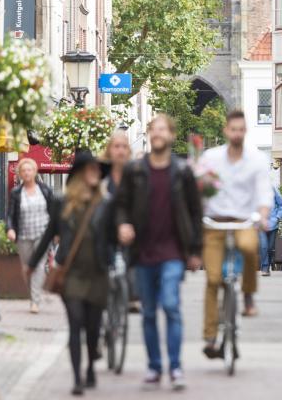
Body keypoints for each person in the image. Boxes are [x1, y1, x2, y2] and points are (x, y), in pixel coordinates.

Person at [115, 115, 203, 390]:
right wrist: (123, 224)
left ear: (171, 135)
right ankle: (154, 367)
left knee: (171, 305)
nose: (158, 133)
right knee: (149, 313)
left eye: (163, 129)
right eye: (154, 129)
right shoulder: (135, 170)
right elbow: (122, 205)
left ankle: (175, 367)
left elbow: (195, 211)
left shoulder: (183, 172)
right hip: (143, 252)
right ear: (149, 134)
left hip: (173, 252)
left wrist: (195, 250)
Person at [28, 150, 113, 396]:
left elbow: (113, 236)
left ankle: (90, 368)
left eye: (98, 170)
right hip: (71, 273)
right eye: (91, 169)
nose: (96, 173)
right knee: (75, 322)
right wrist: (33, 262)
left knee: (93, 326)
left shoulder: (105, 205)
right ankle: (77, 377)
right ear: (79, 174)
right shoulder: (61, 203)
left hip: (97, 272)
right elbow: (48, 234)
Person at [199, 109, 273, 357]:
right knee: (212, 280)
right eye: (233, 129)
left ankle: (248, 295)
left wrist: (262, 215)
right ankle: (210, 337)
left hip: (243, 221)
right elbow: (199, 188)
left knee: (251, 247)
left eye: (241, 130)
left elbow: (264, 193)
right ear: (226, 131)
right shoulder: (211, 158)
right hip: (215, 223)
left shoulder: (257, 160)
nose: (237, 134)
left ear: (246, 131)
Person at [6, 158, 54, 314]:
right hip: (24, 235)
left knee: (39, 265)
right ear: (20, 173)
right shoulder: (16, 193)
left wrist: (56, 232)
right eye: (24, 170)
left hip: (42, 233)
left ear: (35, 172)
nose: (27, 173)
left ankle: (35, 301)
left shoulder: (45, 190)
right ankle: (34, 295)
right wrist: (10, 229)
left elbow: (53, 212)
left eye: (29, 170)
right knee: (27, 268)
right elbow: (10, 215)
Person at [101, 130, 141, 314]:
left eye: (124, 147)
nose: (121, 151)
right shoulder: (102, 177)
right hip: (105, 230)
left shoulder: (136, 176)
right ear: (109, 150)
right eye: (116, 146)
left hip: (130, 231)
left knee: (133, 260)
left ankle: (132, 294)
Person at [260, 186, 282, 277]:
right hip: (260, 224)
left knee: (270, 248)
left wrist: (277, 217)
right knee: (263, 247)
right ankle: (265, 267)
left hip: (273, 224)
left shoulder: (272, 189)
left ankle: (268, 264)